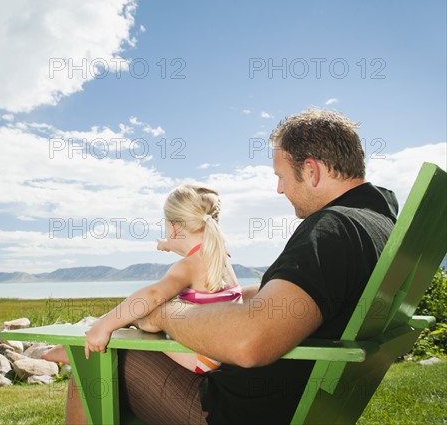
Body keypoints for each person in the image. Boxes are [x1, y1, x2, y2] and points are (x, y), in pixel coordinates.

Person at [64, 109, 400, 425]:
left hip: (239, 410)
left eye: (281, 177)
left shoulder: (333, 228)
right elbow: (301, 296)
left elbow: (248, 343)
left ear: (311, 171)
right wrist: (225, 295)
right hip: (294, 400)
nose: (279, 188)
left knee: (91, 362)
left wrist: (162, 312)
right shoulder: (376, 222)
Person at [43, 183, 242, 374]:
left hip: (200, 357)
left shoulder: (187, 266)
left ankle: (84, 341)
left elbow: (154, 295)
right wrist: (169, 245)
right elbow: (193, 253)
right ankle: (92, 330)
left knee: (142, 310)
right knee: (138, 315)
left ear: (173, 228)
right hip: (223, 351)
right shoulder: (220, 257)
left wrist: (106, 326)